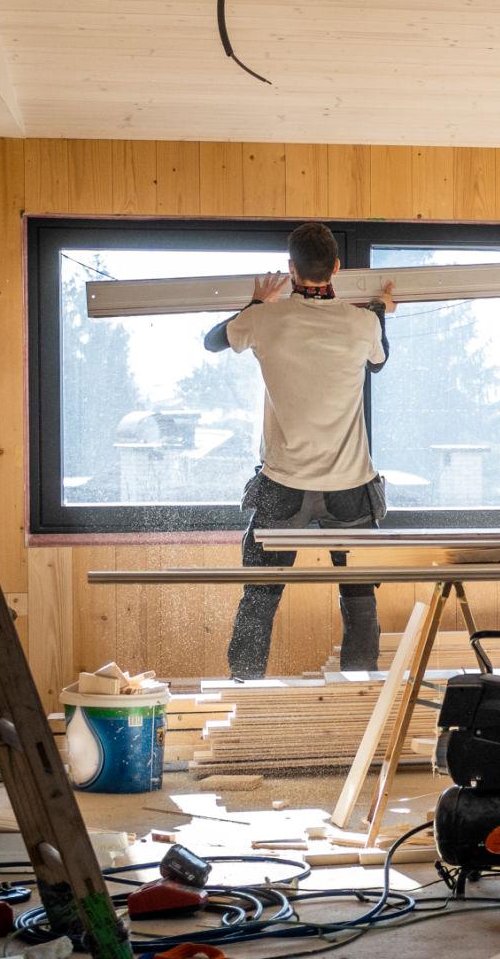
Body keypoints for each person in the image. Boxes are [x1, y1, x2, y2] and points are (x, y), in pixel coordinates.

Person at [203, 222, 395, 680]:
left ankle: (244, 690)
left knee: (260, 596)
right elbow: (379, 360)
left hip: (283, 487)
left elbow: (212, 341)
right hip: (349, 487)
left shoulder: (265, 320)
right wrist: (380, 310)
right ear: (337, 268)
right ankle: (360, 696)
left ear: (290, 270)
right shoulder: (361, 322)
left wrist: (256, 302)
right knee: (360, 598)